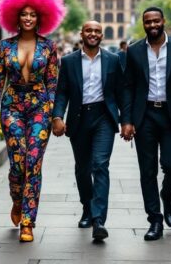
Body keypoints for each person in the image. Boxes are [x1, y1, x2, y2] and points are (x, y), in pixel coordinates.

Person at [0, 0, 65, 242]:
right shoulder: (5, 47)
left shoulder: (49, 47)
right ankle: (17, 200)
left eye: (32, 14)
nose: (28, 18)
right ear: (15, 16)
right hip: (12, 106)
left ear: (40, 17)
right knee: (18, 164)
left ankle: (28, 221)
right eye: (24, 14)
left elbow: (53, 82)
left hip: (40, 106)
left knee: (34, 162)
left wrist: (55, 114)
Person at [121, 7, 171, 241]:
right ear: (143, 24)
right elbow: (128, 88)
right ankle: (154, 219)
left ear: (163, 21)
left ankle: (167, 196)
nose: (153, 25)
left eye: (156, 20)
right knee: (147, 171)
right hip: (144, 116)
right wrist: (126, 120)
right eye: (148, 22)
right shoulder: (134, 51)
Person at [51, 21, 129, 241]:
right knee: (83, 169)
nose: (93, 34)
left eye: (96, 31)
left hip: (104, 116)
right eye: (89, 31)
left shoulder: (113, 60)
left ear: (102, 35)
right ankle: (87, 207)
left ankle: (98, 220)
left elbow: (121, 92)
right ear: (82, 33)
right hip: (79, 118)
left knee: (100, 165)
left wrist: (127, 121)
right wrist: (57, 116)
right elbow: (62, 92)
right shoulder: (68, 61)